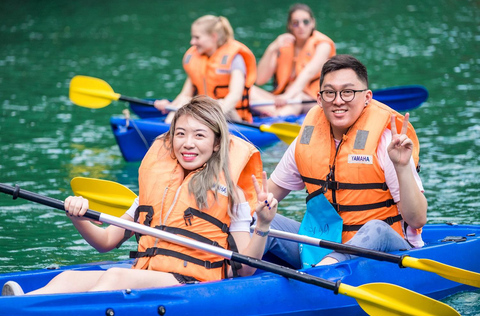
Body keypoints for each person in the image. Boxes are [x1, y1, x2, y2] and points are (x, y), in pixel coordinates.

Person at [2, 96, 277, 296]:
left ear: (217, 143)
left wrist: (263, 225)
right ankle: (24, 304)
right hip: (148, 275)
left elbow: (245, 270)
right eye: (180, 133)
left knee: (115, 276)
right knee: (69, 278)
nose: (188, 143)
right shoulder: (154, 187)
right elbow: (106, 241)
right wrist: (78, 216)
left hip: (192, 284)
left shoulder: (233, 195)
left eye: (199, 135)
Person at [264, 54, 427, 268]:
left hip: (386, 247)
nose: (338, 100)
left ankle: (324, 270)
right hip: (324, 244)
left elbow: (417, 219)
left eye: (348, 92)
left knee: (374, 228)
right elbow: (266, 195)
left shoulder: (386, 142)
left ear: (367, 97)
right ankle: (229, 274)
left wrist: (402, 166)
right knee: (260, 221)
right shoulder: (306, 140)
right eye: (330, 92)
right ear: (319, 99)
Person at [153, 15, 257, 124]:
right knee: (184, 101)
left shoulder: (235, 59)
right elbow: (185, 94)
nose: (192, 42)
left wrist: (213, 112)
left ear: (214, 37)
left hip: (231, 117)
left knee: (221, 103)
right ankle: (168, 129)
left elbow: (235, 95)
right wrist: (170, 106)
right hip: (204, 115)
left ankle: (169, 132)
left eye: (197, 37)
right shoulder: (196, 60)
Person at [249, 3, 336, 117]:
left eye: (305, 22)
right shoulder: (284, 45)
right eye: (296, 23)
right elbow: (260, 80)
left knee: (297, 95)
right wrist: (272, 48)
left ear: (312, 23)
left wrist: (287, 97)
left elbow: (308, 72)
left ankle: (276, 117)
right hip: (284, 99)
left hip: (311, 100)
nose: (301, 26)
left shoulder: (323, 45)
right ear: (290, 26)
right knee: (247, 90)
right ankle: (274, 112)